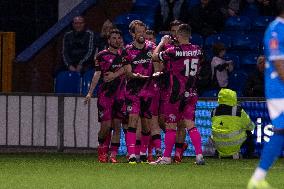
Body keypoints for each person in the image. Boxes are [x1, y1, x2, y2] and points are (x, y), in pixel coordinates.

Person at [104, 20, 160, 164]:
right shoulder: (127, 50)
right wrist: (136, 76)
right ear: (132, 34)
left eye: (143, 31)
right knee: (132, 121)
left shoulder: (152, 47)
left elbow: (157, 65)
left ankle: (143, 153)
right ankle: (132, 154)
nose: (142, 34)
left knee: (147, 125)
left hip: (148, 90)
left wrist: (158, 73)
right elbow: (128, 72)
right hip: (133, 90)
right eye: (138, 32)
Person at [151, 24, 205, 165]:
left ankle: (167, 157)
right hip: (191, 92)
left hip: (175, 94)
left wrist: (162, 43)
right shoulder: (198, 50)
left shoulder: (172, 51)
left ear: (179, 36)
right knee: (190, 125)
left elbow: (154, 57)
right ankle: (199, 155)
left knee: (171, 126)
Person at [248, 1, 284, 188]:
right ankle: (257, 178)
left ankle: (258, 178)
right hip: (279, 91)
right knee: (280, 131)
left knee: (280, 132)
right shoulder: (276, 30)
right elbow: (280, 66)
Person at [84, 29, 125, 163]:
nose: (116, 40)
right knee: (106, 126)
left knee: (117, 125)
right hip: (106, 95)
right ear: (109, 40)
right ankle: (101, 147)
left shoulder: (124, 55)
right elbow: (97, 74)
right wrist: (90, 92)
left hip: (120, 94)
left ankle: (112, 155)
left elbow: (128, 70)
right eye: (114, 38)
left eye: (119, 38)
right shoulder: (101, 55)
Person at [211, 89, 255, 159]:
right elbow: (251, 126)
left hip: (218, 144)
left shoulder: (214, 111)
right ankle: (249, 155)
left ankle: (219, 153)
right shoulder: (239, 111)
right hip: (234, 144)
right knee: (249, 132)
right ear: (233, 97)